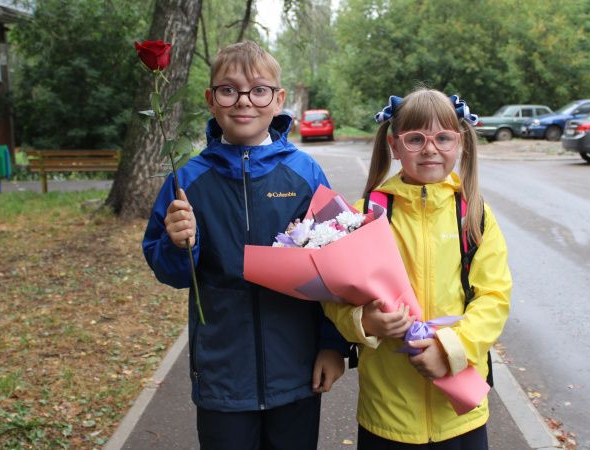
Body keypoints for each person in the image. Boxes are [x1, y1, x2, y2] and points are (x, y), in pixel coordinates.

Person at [142, 40, 347, 450]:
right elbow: (172, 272)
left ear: (278, 100)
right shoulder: (187, 179)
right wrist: (180, 243)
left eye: (258, 90)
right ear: (211, 100)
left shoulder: (304, 173)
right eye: (228, 89)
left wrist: (331, 345)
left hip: (297, 369)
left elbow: (335, 267)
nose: (244, 102)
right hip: (223, 373)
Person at [322, 88, 512, 448]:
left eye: (443, 137)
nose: (430, 148)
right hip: (387, 411)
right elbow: (334, 296)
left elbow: (494, 297)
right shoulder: (364, 215)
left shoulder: (474, 214)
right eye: (415, 139)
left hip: (459, 409)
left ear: (460, 143)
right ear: (395, 146)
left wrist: (450, 349)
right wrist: (363, 322)